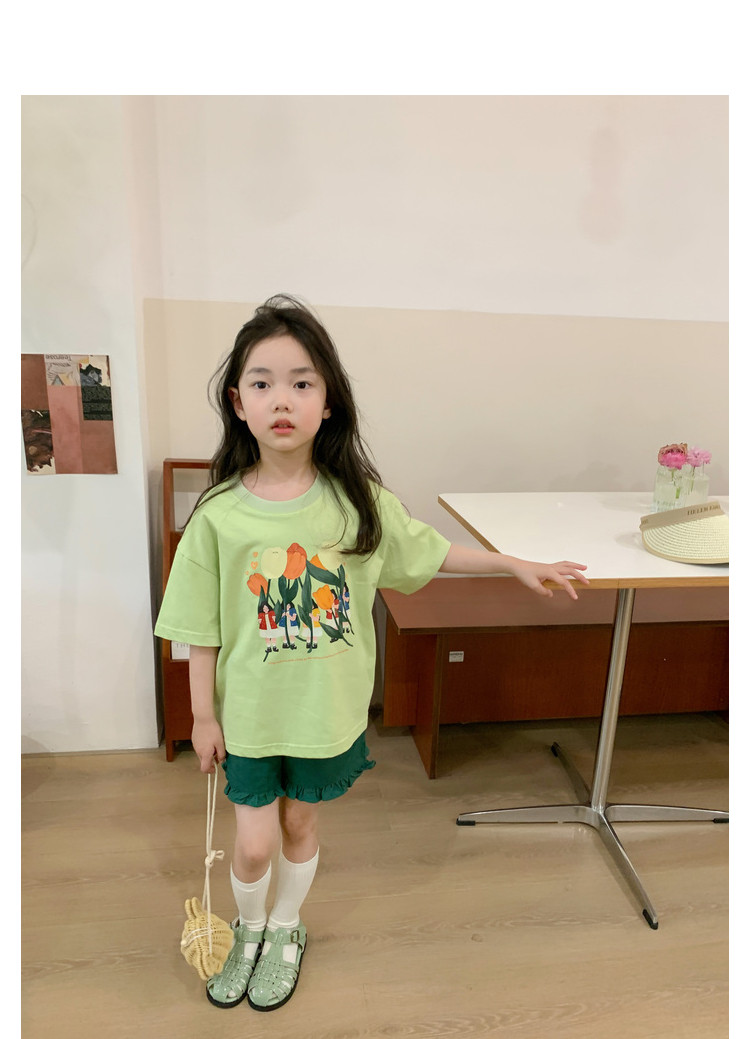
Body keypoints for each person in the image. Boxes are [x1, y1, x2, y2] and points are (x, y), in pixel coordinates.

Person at [154, 295, 588, 1013]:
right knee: (253, 844)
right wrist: (202, 717)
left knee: (299, 825)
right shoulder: (219, 515)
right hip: (250, 719)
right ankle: (248, 929)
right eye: (262, 382)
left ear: (327, 402)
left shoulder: (358, 502)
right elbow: (198, 630)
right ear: (237, 402)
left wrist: (512, 561)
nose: (282, 399)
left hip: (323, 715)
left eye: (301, 382)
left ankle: (285, 929)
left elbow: (432, 552)